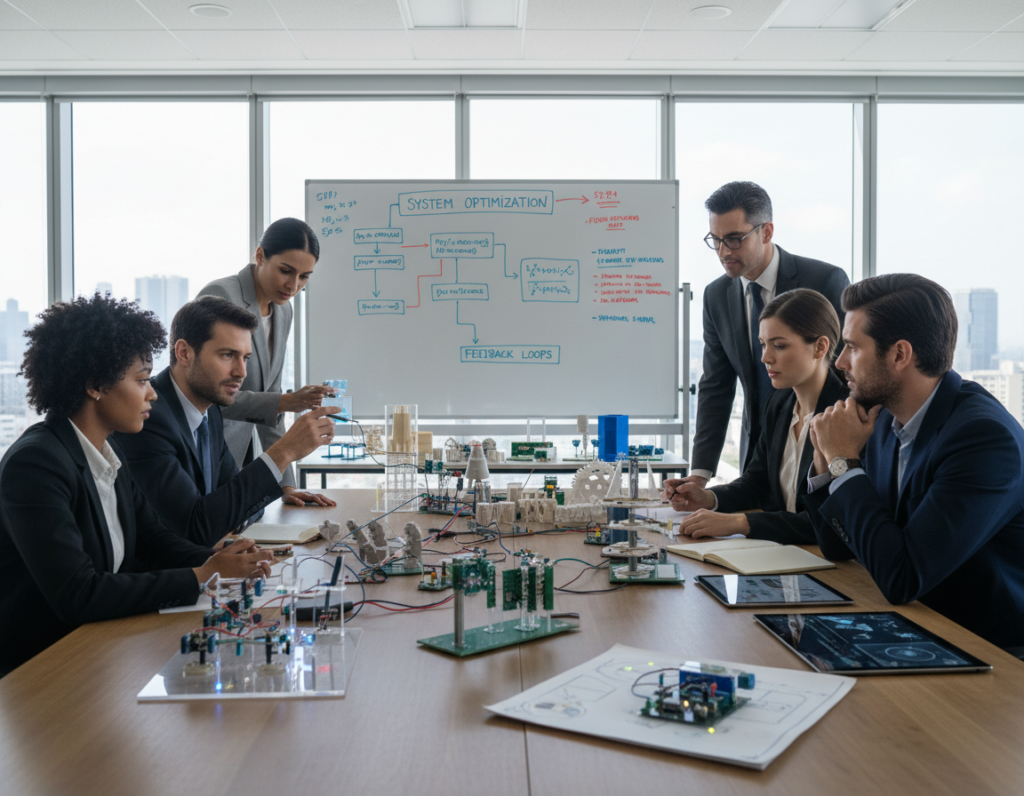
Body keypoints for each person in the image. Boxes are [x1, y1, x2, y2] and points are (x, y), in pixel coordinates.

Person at [0, 295, 273, 676]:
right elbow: (79, 594)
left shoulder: (107, 451)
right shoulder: (36, 465)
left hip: (102, 649)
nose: (153, 393)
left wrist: (221, 562)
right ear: (96, 384)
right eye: (142, 380)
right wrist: (201, 575)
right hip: (42, 668)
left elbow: (154, 540)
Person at [804, 274, 1024, 654]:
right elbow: (838, 546)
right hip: (918, 627)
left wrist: (843, 460)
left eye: (853, 347)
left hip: (987, 651)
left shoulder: (984, 439)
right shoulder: (885, 419)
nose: (839, 362)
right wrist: (827, 462)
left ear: (900, 355)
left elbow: (902, 578)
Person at [115, 297, 341, 547]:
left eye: (245, 358)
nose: (241, 372)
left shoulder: (209, 413)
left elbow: (235, 504)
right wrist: (284, 451)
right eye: (227, 355)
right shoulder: (147, 418)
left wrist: (225, 515)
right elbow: (197, 528)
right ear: (184, 353)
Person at [687, 181, 849, 488]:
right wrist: (700, 474)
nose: (723, 252)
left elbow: (845, 373)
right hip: (754, 457)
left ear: (767, 232)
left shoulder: (824, 280)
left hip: (815, 446)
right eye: (716, 240)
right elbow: (716, 386)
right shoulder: (716, 295)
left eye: (734, 239)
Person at [664, 289, 847, 543]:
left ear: (819, 347)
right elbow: (757, 483)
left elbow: (832, 522)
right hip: (785, 556)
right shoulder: (780, 404)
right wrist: (708, 498)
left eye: (779, 346)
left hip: (833, 565)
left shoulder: (846, 415)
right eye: (763, 344)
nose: (765, 357)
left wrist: (741, 522)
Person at [198, 218, 335, 501]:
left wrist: (287, 488)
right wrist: (286, 402)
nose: (293, 285)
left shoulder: (284, 312)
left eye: (304, 276)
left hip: (244, 463)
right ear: (260, 256)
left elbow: (271, 399)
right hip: (206, 455)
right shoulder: (223, 295)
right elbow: (205, 394)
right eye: (286, 271)